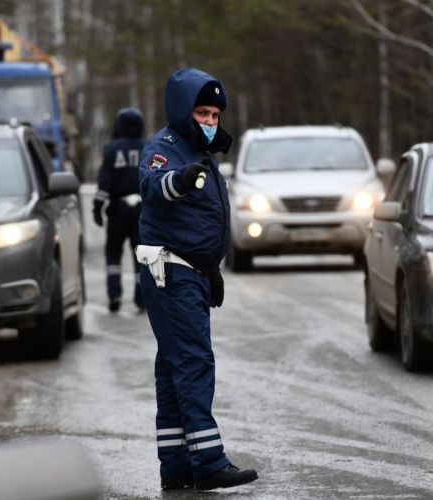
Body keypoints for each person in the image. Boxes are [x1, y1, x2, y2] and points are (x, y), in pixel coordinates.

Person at [136, 68, 259, 491]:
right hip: (170, 271)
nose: (209, 121)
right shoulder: (165, 148)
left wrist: (212, 268)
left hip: (189, 272)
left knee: (173, 370)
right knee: (193, 363)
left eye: (214, 115)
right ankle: (208, 462)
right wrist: (181, 181)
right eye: (201, 112)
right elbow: (155, 186)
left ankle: (176, 466)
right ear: (182, 111)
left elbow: (198, 221)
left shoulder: (198, 152)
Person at [93, 108, 145, 312]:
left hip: (118, 208)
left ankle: (114, 295)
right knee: (142, 255)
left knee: (113, 254)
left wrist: (97, 208)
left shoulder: (111, 149)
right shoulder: (148, 148)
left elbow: (104, 182)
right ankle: (142, 298)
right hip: (142, 209)